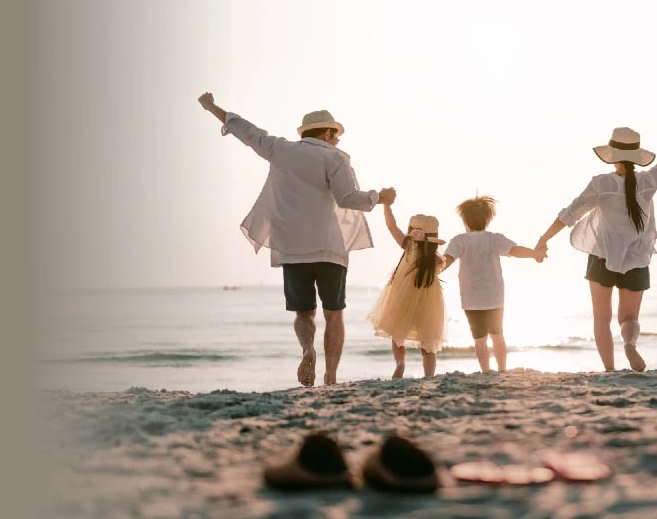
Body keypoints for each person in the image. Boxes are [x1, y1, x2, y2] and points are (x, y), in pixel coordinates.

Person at [198, 92, 396, 387]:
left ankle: (307, 349)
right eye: (336, 136)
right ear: (327, 133)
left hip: (291, 248)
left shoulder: (279, 149)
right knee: (334, 313)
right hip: (329, 248)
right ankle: (330, 376)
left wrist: (212, 107)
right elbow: (346, 199)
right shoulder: (334, 157)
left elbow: (245, 130)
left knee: (304, 312)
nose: (338, 141)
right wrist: (379, 197)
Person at [535, 116, 657, 371]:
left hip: (602, 256)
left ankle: (610, 370)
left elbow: (570, 214)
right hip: (636, 257)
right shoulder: (648, 181)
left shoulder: (602, 184)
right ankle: (629, 344)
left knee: (602, 320)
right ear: (636, 156)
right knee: (629, 318)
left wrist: (543, 239)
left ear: (612, 155)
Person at [439, 195, 544, 373]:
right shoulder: (494, 238)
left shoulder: (460, 240)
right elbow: (515, 251)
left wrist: (431, 269)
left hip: (471, 298)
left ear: (464, 220)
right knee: (497, 335)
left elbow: (446, 261)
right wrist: (534, 254)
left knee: (479, 339)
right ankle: (502, 369)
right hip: (494, 297)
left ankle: (485, 371)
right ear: (487, 219)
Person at [365, 207, 447, 378]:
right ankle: (429, 375)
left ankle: (400, 363)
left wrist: (386, 206)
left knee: (397, 332)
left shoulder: (408, 247)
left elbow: (391, 226)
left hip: (404, 295)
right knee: (428, 342)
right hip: (429, 300)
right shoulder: (437, 259)